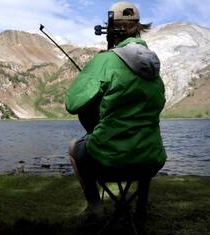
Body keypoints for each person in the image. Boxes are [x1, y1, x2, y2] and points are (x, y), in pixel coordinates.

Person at [65, 1, 167, 224]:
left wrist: (96, 69)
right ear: (139, 28)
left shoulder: (105, 60)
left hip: (110, 159)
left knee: (75, 148)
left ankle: (95, 208)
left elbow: (72, 103)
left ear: (111, 30)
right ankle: (141, 209)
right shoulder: (154, 69)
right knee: (143, 145)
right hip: (151, 159)